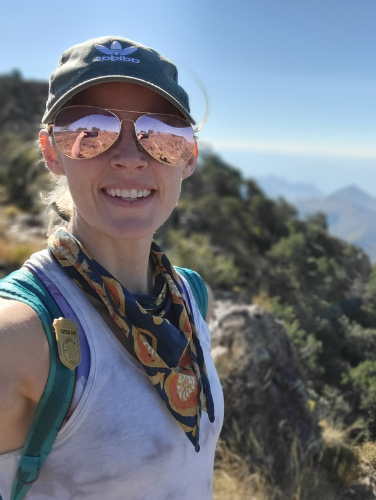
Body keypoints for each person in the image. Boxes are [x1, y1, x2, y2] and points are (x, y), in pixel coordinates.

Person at [0, 36, 224, 499]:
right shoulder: (21, 336)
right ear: (51, 151)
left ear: (188, 157)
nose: (129, 157)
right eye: (89, 131)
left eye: (161, 134)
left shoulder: (188, 296)